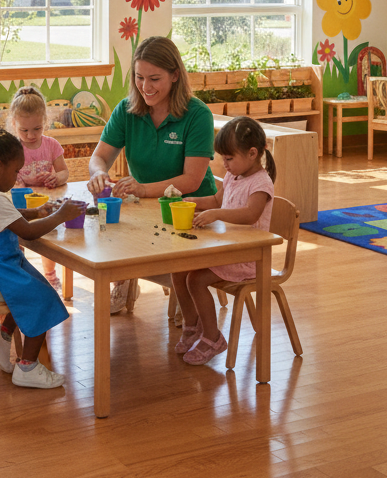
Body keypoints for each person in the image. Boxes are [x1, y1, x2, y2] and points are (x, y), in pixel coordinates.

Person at [87, 36, 216, 313]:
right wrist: (98, 173)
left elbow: (191, 180)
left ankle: (185, 292)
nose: (145, 87)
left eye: (154, 79)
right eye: (139, 77)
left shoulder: (198, 115)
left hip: (191, 210)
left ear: (175, 75)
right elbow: (99, 157)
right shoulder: (126, 110)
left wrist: (143, 189)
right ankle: (123, 278)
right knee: (112, 227)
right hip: (145, 206)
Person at [0, 116, 85, 389]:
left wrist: (35, 211)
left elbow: (8, 216)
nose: (17, 175)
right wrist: (60, 216)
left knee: (35, 286)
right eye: (16, 170)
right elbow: (27, 232)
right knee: (42, 299)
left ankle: (3, 335)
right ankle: (28, 367)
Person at [171, 116, 276, 364]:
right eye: (223, 158)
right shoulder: (233, 176)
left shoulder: (261, 183)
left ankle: (213, 337)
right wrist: (192, 202)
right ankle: (192, 325)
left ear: (252, 153)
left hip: (247, 257)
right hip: (225, 249)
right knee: (178, 269)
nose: (224, 165)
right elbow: (217, 200)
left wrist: (216, 214)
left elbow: (250, 214)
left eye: (229, 159)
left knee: (196, 280)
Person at [9, 86, 70, 294]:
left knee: (48, 240)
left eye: (37, 129)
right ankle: (20, 277)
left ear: (45, 121)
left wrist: (56, 177)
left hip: (46, 204)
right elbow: (6, 179)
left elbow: (64, 172)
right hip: (20, 207)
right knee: (17, 242)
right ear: (14, 124)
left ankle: (50, 276)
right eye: (24, 130)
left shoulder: (51, 145)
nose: (31, 135)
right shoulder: (12, 148)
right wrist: (19, 182)